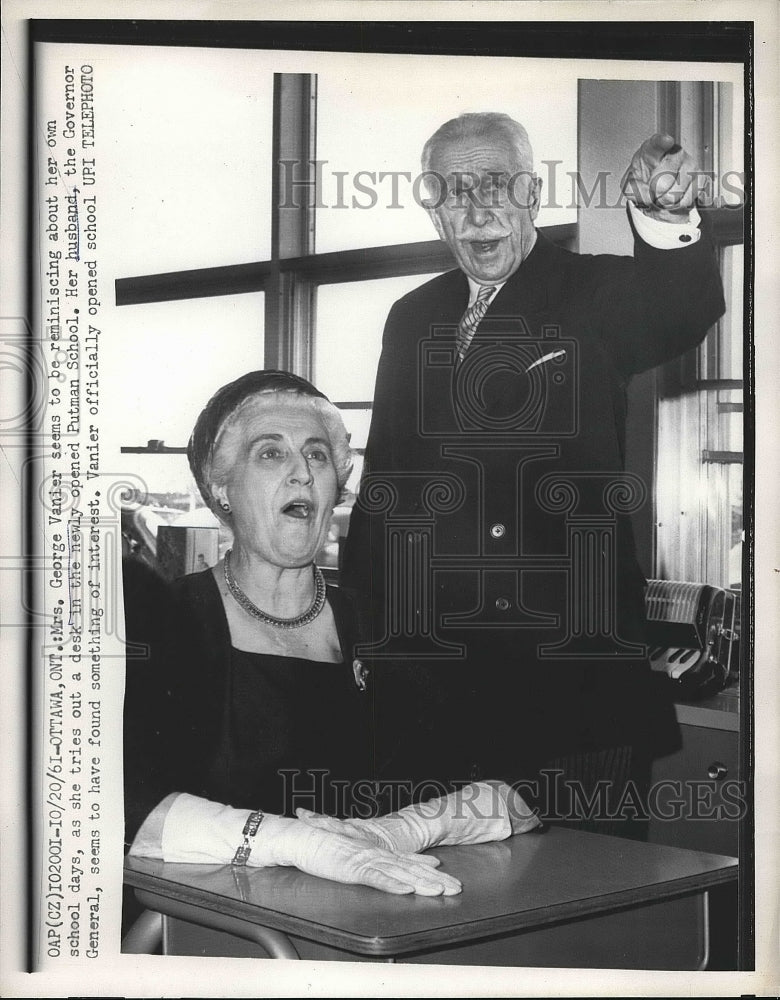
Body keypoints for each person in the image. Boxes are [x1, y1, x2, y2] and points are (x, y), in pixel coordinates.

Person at [341, 114, 726, 829]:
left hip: (569, 691)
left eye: (497, 185)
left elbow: (679, 306)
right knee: (422, 886)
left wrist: (666, 215)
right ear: (431, 208)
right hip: (424, 692)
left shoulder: (591, 294)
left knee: (585, 886)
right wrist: (366, 633)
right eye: (455, 191)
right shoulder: (411, 316)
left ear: (533, 194)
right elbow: (383, 486)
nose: (477, 211)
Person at [123, 370, 540, 900]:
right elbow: (120, 806)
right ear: (221, 487)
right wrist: (300, 842)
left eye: (317, 455)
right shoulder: (163, 626)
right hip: (214, 925)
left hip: (376, 918)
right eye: (271, 453)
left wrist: (395, 832)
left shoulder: (388, 631)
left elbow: (517, 791)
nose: (301, 472)